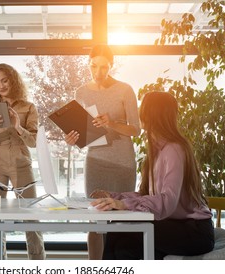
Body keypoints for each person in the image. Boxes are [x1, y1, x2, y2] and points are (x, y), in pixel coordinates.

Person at [91, 91, 215, 259]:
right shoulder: (157, 151)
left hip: (193, 231)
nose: (139, 112)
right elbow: (147, 196)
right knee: (121, 234)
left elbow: (168, 201)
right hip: (173, 224)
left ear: (150, 114)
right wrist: (113, 197)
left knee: (123, 232)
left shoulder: (174, 149)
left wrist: (124, 204)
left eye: (143, 108)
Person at [65, 44, 140, 259]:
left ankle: (120, 267)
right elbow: (79, 131)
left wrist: (113, 123)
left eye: (104, 67)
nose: (98, 72)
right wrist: (72, 139)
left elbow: (136, 129)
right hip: (95, 162)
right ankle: (95, 268)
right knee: (95, 218)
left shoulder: (125, 90)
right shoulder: (81, 92)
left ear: (111, 66)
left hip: (123, 163)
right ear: (88, 64)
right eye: (94, 66)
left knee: (121, 218)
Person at [0, 63, 45, 260]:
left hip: (21, 161)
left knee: (31, 214)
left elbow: (33, 141)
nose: (1, 86)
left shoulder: (28, 107)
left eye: (4, 80)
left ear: (12, 80)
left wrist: (17, 126)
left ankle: (38, 263)